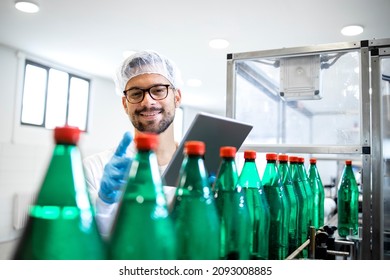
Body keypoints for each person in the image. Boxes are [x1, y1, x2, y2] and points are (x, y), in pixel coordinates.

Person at [83, 50, 182, 238]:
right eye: (136, 94)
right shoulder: (95, 169)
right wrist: (103, 202)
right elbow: (83, 243)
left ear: (177, 97)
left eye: (159, 90)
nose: (148, 101)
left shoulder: (200, 167)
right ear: (125, 104)